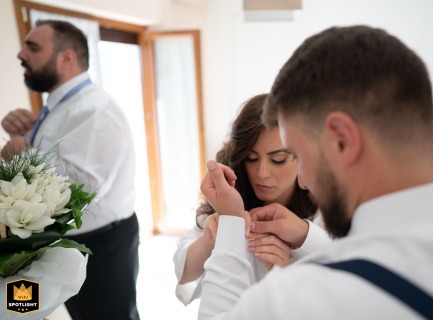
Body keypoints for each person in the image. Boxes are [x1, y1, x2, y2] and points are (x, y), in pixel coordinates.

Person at [197, 25, 433, 319]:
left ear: (341, 140)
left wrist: (231, 225)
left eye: (298, 156)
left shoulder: (303, 298)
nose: (303, 181)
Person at [1, 20, 140, 320]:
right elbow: (61, 161)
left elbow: (80, 190)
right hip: (70, 243)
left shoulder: (94, 110)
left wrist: (19, 151)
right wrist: (31, 131)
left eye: (32, 47)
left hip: (100, 246)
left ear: (67, 58)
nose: (21, 54)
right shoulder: (61, 107)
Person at [173, 93, 330, 305]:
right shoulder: (228, 199)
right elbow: (184, 273)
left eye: (278, 160)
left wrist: (285, 272)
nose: (261, 173)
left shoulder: (326, 214)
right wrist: (214, 237)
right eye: (251, 158)